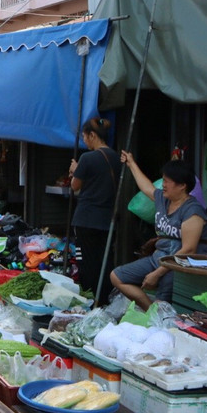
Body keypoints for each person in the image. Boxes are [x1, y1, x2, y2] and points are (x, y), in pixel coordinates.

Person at [110, 154, 207, 310]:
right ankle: (151, 311)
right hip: (158, 259)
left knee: (162, 304)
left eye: (167, 181)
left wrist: (157, 273)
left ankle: (158, 314)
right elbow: (146, 187)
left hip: (179, 267)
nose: (163, 185)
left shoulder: (193, 211)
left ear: (182, 185)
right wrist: (131, 163)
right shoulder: (164, 199)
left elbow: (188, 250)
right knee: (117, 276)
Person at [68, 117, 122, 306]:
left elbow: (75, 186)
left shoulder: (87, 158)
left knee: (87, 264)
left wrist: (75, 170)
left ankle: (89, 301)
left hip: (86, 219)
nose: (84, 141)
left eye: (85, 136)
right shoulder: (116, 158)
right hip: (108, 220)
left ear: (92, 135)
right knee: (104, 262)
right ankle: (106, 301)